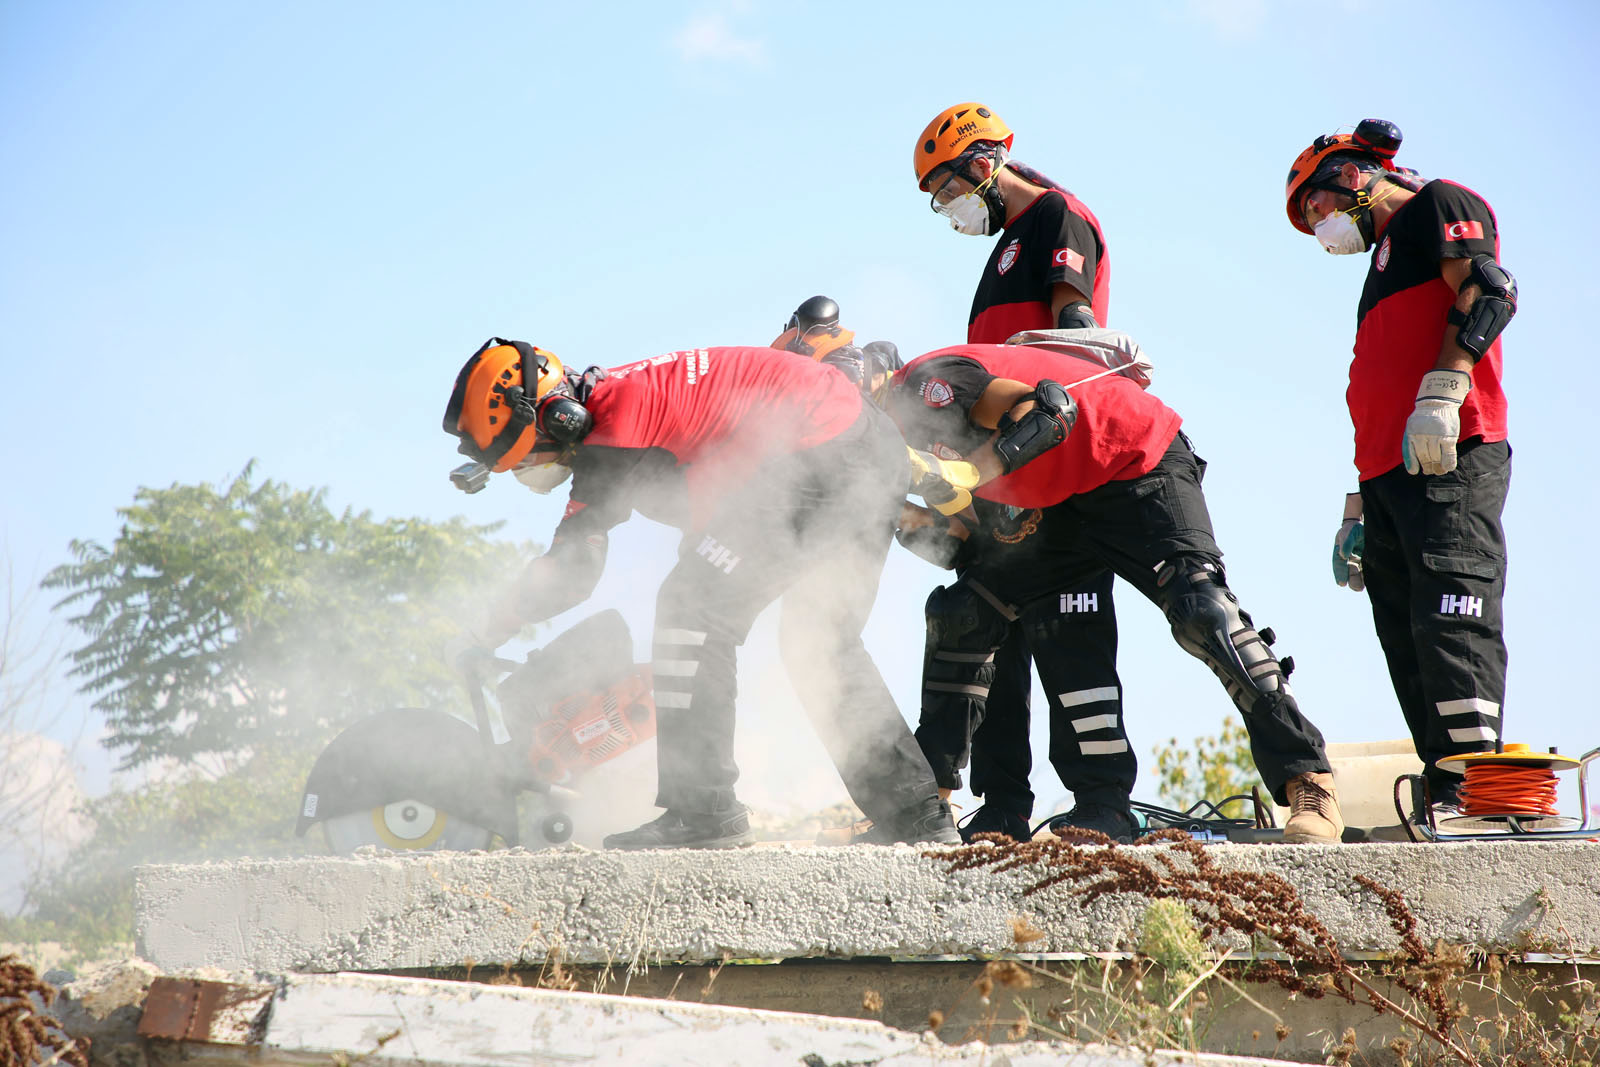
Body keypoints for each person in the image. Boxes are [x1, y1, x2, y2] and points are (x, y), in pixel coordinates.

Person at [441, 336, 961, 848]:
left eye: (529, 459)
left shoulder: (616, 420)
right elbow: (721, 487)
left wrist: (486, 631)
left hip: (820, 455)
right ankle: (916, 818)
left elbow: (572, 569)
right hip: (866, 447)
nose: (533, 473)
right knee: (821, 641)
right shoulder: (637, 398)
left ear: (558, 420)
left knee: (690, 610)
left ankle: (704, 811)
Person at [882, 337, 1347, 843]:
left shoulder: (922, 386)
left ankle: (1309, 779)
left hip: (1131, 456)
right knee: (967, 612)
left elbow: (1041, 410)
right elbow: (962, 544)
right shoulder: (890, 456)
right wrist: (889, 513)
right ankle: (937, 810)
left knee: (1201, 610)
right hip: (1058, 499)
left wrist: (967, 473)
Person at [1285, 120, 1516, 817]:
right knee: (1404, 629)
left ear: (1353, 176)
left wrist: (1446, 386)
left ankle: (1480, 790)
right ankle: (1444, 785)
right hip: (1389, 474)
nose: (1320, 226)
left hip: (1453, 448)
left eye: (1317, 208)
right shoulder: (1380, 266)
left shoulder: (1439, 205)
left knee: (1451, 610)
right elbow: (1377, 388)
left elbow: (1490, 290)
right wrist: (1357, 509)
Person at [910, 102, 1119, 840]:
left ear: (983, 163)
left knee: (1070, 633)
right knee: (993, 638)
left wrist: (1036, 450)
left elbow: (1072, 336)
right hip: (1001, 476)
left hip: (1053, 459)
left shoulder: (1059, 217)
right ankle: (1002, 808)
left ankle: (1099, 802)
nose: (951, 209)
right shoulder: (999, 256)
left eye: (949, 191)